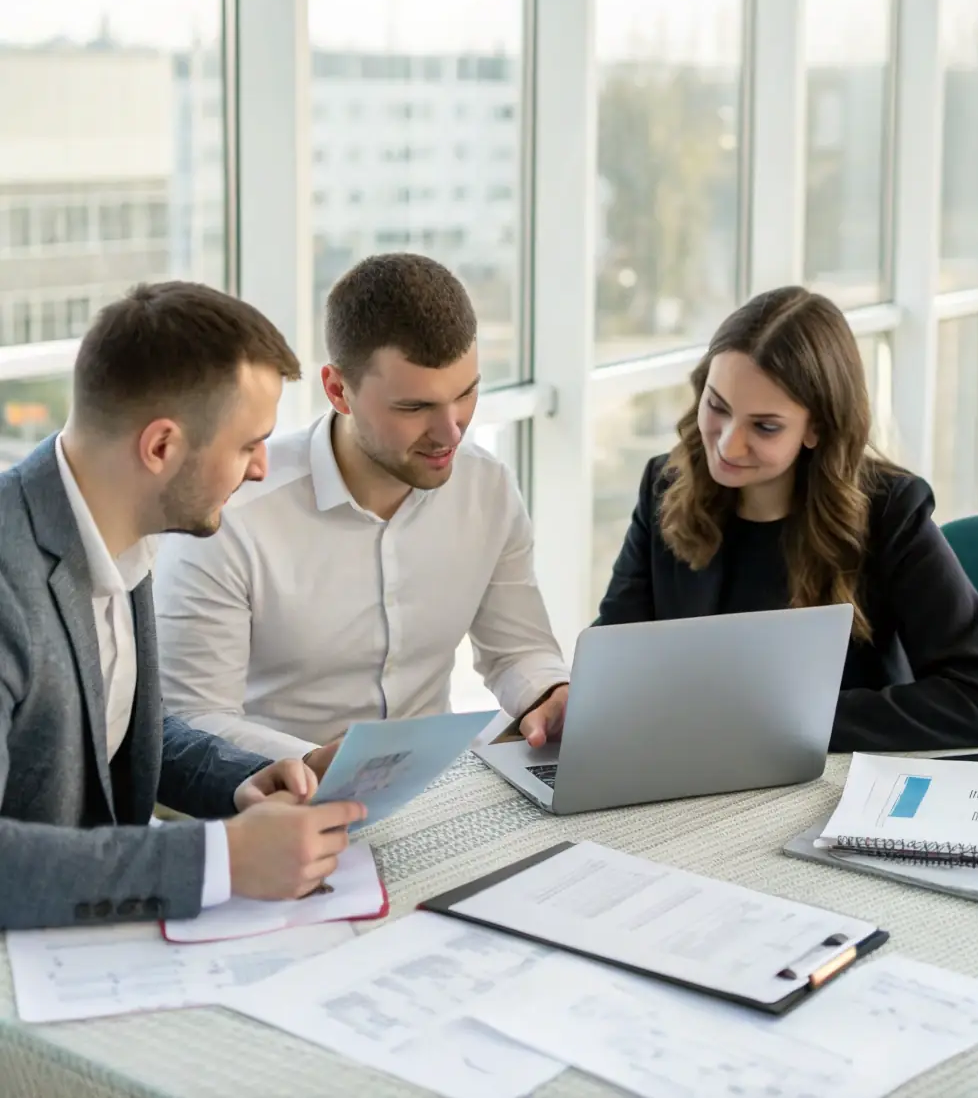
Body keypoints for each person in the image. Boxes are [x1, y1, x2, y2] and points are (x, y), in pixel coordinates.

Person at [0, 283, 365, 932]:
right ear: (162, 447)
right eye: (249, 443)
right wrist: (218, 857)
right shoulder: (8, 575)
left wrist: (244, 780)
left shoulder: (122, 524)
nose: (260, 468)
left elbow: (106, 726)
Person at [155, 254, 569, 766]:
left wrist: (549, 695)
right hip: (280, 809)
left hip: (434, 795)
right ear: (337, 390)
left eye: (466, 394)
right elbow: (192, 721)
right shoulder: (232, 516)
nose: (451, 432)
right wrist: (314, 765)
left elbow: (517, 651)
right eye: (414, 408)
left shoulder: (488, 487)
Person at [595, 286, 978, 752]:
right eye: (717, 406)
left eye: (765, 426)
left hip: (832, 785)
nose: (727, 445)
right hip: (694, 774)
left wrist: (775, 723)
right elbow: (615, 655)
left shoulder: (890, 511)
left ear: (817, 428)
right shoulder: (664, 484)